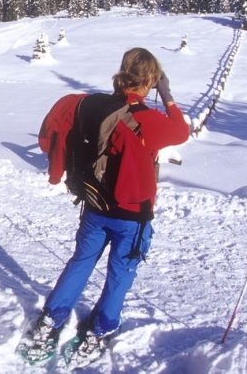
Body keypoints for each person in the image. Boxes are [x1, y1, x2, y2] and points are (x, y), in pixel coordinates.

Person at [29, 47, 190, 363]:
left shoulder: (91, 105)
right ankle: (99, 329)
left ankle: (50, 319)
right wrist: (167, 94)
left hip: (94, 204)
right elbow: (181, 131)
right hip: (131, 214)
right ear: (150, 80)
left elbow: (57, 132)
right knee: (121, 272)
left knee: (81, 261)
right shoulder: (147, 120)